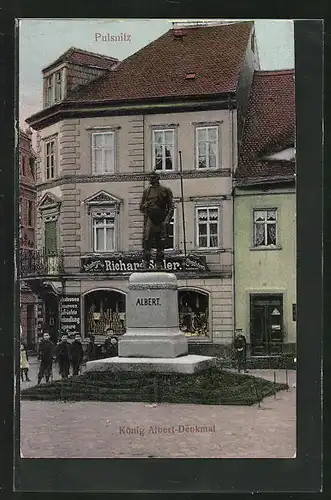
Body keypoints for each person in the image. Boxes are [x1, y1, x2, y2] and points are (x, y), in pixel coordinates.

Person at [140, 170, 174, 270]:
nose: (150, 180)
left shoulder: (165, 190)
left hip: (161, 218)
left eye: (152, 178)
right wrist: (145, 206)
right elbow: (141, 207)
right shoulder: (147, 191)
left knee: (160, 242)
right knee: (147, 242)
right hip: (150, 219)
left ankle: (159, 263)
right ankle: (146, 262)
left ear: (157, 179)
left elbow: (171, 207)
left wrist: (167, 220)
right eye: (149, 178)